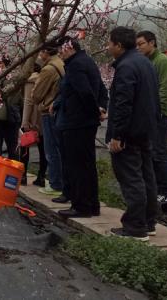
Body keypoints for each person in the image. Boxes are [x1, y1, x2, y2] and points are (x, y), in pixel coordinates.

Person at [106, 26, 160, 241]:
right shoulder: (144, 62)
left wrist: (118, 135)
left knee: (131, 178)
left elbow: (124, 103)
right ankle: (148, 221)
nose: (108, 47)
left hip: (129, 132)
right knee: (147, 175)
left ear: (119, 45)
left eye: (110, 43)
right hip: (146, 129)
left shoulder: (126, 67)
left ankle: (136, 227)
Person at [54, 37, 108, 218]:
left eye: (61, 51)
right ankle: (92, 204)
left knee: (77, 165)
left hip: (76, 122)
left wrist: (95, 111)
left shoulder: (75, 65)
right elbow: (102, 89)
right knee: (87, 165)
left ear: (69, 49)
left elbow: (84, 92)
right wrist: (100, 108)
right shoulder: (88, 61)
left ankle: (81, 206)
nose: (59, 55)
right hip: (85, 122)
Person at [136, 30, 167, 211]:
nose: (138, 47)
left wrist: (157, 113)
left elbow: (165, 91)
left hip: (160, 115)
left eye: (141, 44)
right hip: (150, 114)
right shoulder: (148, 62)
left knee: (159, 153)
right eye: (137, 44)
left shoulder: (163, 62)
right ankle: (160, 191)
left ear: (152, 43)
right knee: (152, 153)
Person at [30, 44, 65, 196]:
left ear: (46, 52)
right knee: (59, 148)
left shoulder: (48, 69)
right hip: (60, 109)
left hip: (48, 110)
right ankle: (60, 182)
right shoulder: (63, 63)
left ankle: (55, 183)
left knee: (51, 149)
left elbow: (37, 94)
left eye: (41, 52)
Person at [0, 57, 22, 161]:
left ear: (3, 64)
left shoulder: (3, 77)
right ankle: (13, 171)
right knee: (12, 144)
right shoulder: (18, 77)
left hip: (1, 114)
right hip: (13, 114)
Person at [20, 59, 47, 186]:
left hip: (32, 119)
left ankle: (23, 176)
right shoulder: (44, 79)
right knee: (43, 149)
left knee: (25, 147)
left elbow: (28, 101)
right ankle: (41, 176)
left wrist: (25, 120)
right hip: (43, 118)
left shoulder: (30, 81)